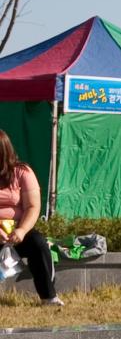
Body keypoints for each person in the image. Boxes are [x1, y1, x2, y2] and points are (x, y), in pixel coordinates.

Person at [0, 129, 60, 306]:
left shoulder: (22, 172)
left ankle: (49, 297)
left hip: (16, 233)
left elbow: (33, 207)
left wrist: (21, 230)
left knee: (38, 243)